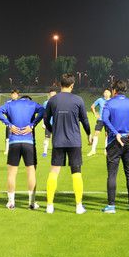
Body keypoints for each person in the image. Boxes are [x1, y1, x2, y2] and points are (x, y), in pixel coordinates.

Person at [43, 73, 91, 214]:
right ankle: (78, 206)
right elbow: (85, 120)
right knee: (76, 172)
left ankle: (49, 205)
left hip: (58, 141)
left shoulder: (52, 100)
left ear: (60, 84)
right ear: (72, 85)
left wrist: (53, 130)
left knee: (54, 172)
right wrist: (89, 134)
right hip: (74, 141)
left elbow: (46, 120)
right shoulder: (78, 100)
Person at [100, 79, 129, 213]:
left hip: (114, 141)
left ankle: (111, 206)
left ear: (114, 90)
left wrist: (115, 133)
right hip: (128, 140)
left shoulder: (109, 103)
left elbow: (105, 119)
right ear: (125, 90)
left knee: (112, 174)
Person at [0, 94, 45, 209]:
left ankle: (11, 202)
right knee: (31, 172)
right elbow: (43, 110)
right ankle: (31, 203)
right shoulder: (33, 104)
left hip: (14, 142)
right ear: (29, 99)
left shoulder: (11, 104)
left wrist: (9, 124)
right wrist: (32, 125)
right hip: (28, 142)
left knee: (12, 173)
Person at [87, 88, 111, 156]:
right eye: (105, 92)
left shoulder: (112, 101)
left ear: (110, 93)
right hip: (100, 120)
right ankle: (93, 150)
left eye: (107, 92)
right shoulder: (100, 100)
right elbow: (92, 106)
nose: (106, 93)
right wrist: (95, 114)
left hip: (108, 120)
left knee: (107, 134)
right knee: (96, 133)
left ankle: (106, 150)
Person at [3, 89, 20, 155]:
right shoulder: (8, 103)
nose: (13, 95)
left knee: (17, 136)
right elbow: (4, 111)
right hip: (9, 122)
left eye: (15, 94)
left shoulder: (20, 103)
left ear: (17, 95)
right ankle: (7, 150)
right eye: (12, 94)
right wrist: (5, 120)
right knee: (8, 137)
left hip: (18, 122)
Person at [41, 87, 57, 157]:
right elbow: (44, 114)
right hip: (48, 124)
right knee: (47, 138)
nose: (52, 96)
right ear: (49, 95)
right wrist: (43, 123)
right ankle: (45, 152)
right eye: (51, 94)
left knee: (56, 138)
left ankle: (56, 152)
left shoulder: (59, 102)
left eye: (54, 94)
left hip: (57, 124)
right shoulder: (46, 103)